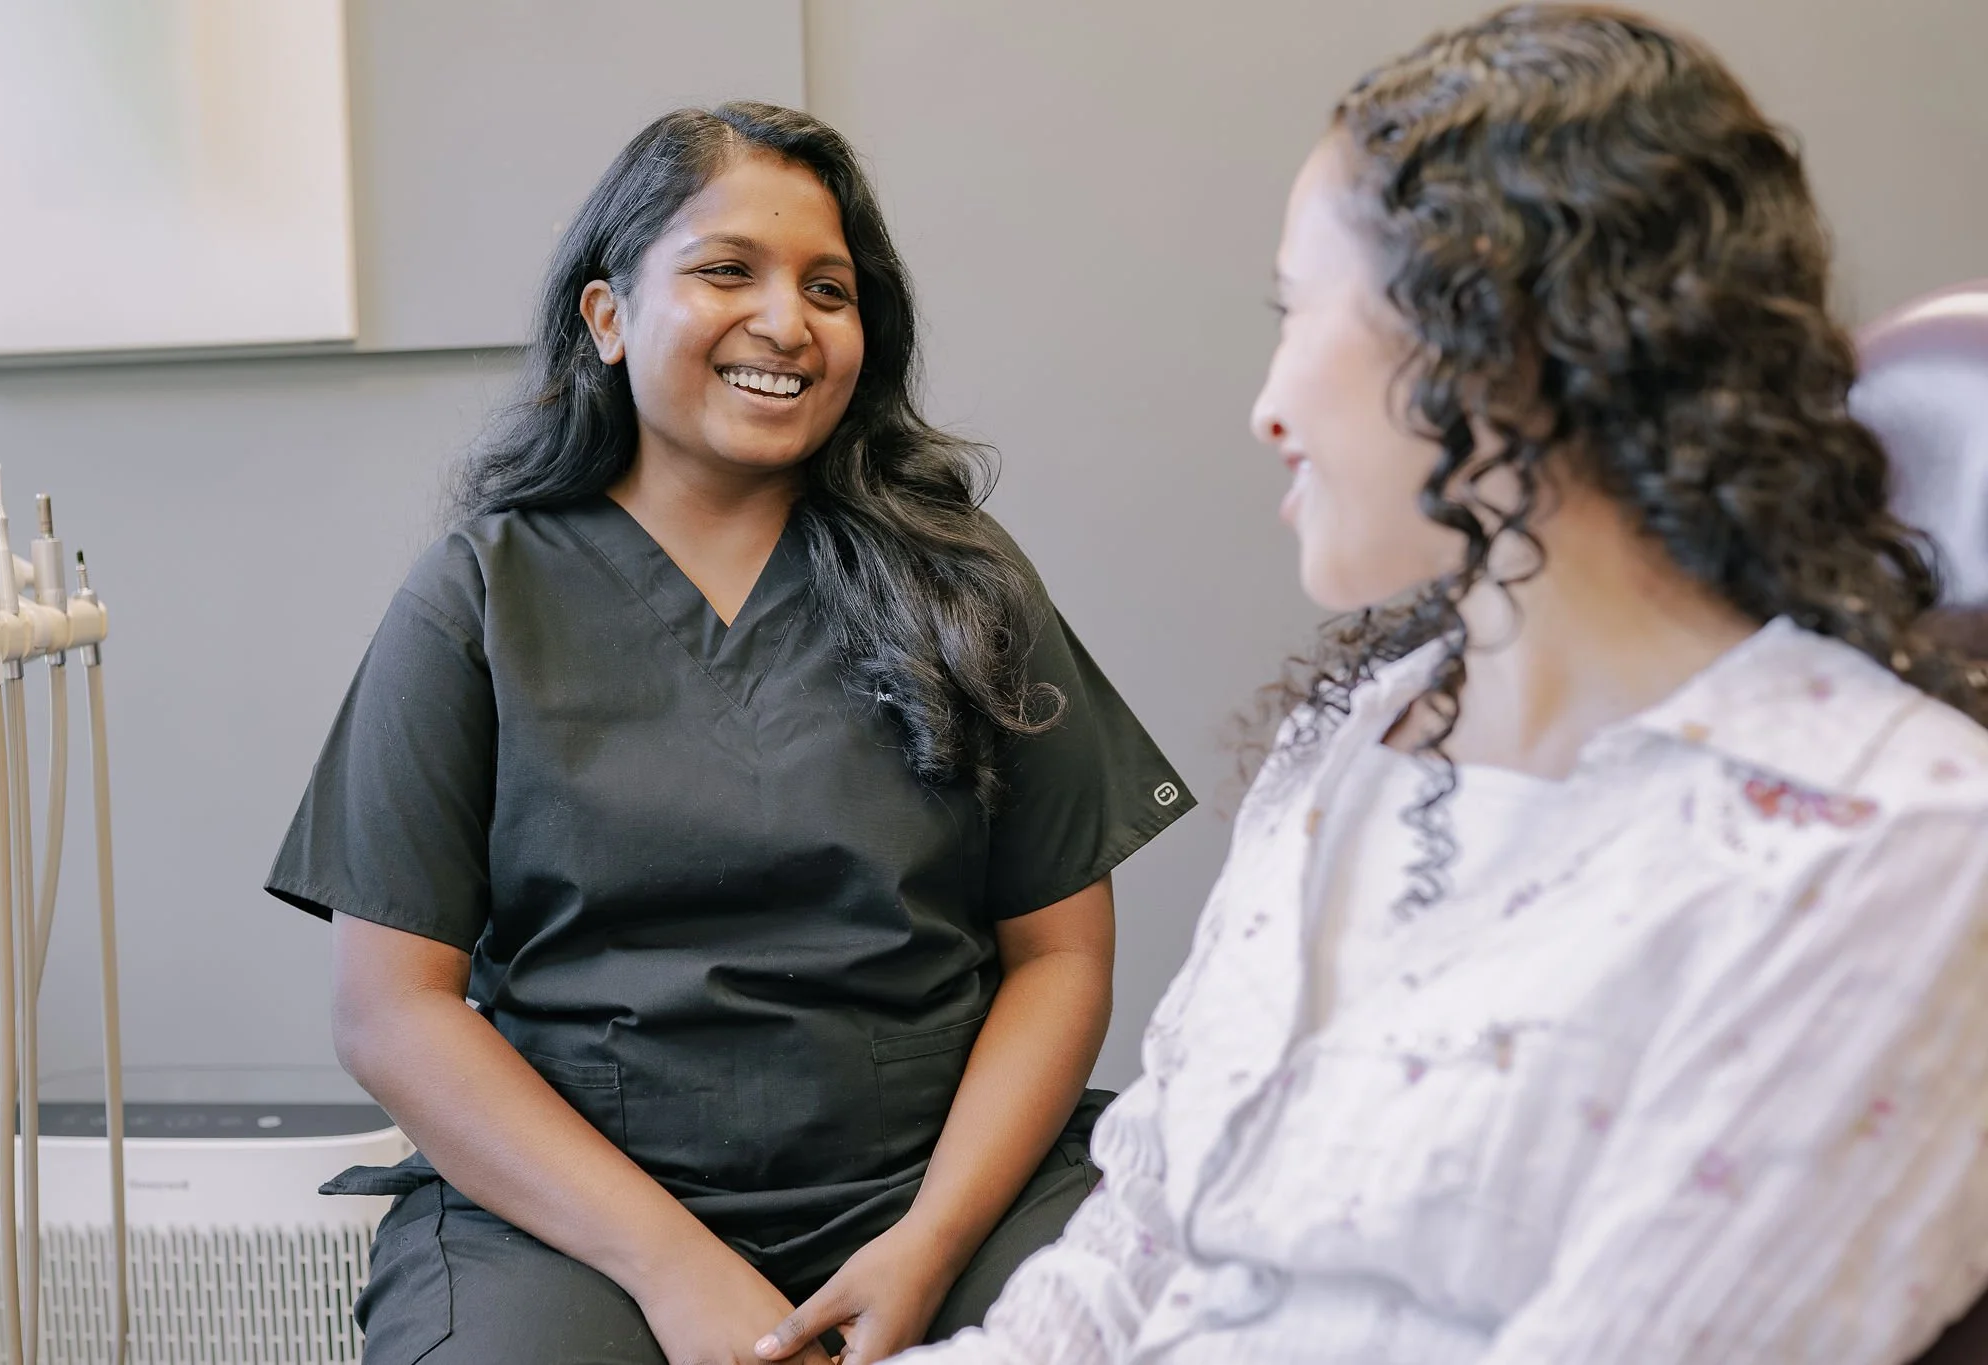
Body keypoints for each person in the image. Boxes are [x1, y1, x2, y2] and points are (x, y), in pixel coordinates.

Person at [896, 7, 1988, 1363]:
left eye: (1297, 313)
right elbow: (1133, 1254)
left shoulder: (1885, 850)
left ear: (1492, 337)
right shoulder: (1347, 746)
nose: (1266, 407)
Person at [265, 102, 1192, 1365]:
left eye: (828, 288)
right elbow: (391, 1011)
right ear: (607, 318)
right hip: (574, 1220)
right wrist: (670, 1266)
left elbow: (1059, 959)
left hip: (941, 1189)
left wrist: (927, 1247)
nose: (786, 321)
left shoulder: (960, 582)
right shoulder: (478, 595)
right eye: (725, 271)